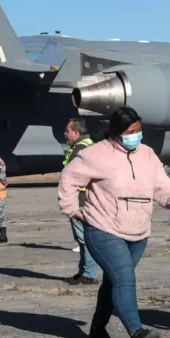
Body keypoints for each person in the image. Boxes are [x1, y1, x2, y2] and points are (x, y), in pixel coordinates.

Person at [59, 106, 170, 338]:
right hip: (103, 228)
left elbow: (161, 184)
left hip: (138, 232)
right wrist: (73, 209)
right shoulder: (96, 155)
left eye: (139, 130)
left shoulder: (147, 154)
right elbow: (68, 178)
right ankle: (136, 332)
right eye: (131, 131)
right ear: (116, 132)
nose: (136, 136)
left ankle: (97, 329)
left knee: (114, 281)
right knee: (125, 279)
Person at [61, 117, 98, 285]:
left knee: (84, 238)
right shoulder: (89, 145)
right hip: (86, 199)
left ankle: (89, 273)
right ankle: (84, 271)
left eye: (68, 131)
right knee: (83, 238)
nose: (65, 134)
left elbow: (73, 177)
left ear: (76, 133)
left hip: (80, 200)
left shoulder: (80, 149)